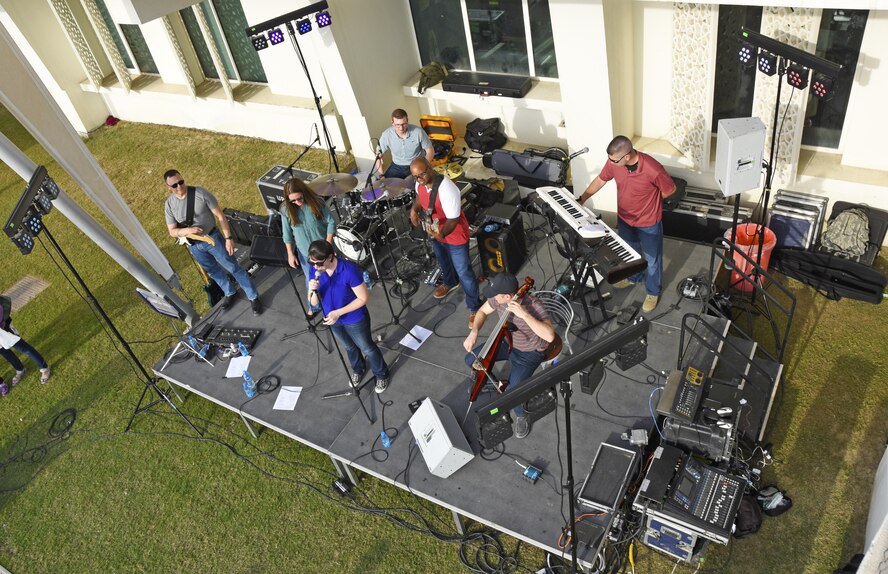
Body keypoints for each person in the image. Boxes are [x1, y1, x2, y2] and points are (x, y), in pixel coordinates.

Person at [577, 136, 675, 313]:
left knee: (652, 260)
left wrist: (652, 203)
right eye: (609, 159)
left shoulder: (653, 169)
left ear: (627, 156)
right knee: (631, 253)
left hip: (648, 223)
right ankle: (634, 277)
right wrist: (582, 199)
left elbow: (670, 189)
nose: (611, 163)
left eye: (614, 160)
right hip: (625, 219)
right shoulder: (615, 163)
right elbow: (601, 179)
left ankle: (653, 292)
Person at [463, 273, 554, 440]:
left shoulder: (533, 305)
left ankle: (521, 415)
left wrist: (525, 315)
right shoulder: (498, 300)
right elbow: (482, 312)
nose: (493, 298)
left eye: (496, 295)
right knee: (471, 360)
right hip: (508, 342)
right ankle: (494, 383)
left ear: (508, 296)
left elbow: (549, 336)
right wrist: (474, 331)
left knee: (513, 392)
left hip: (529, 353)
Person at [163, 169, 262, 315]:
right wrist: (187, 231)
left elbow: (220, 216)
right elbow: (172, 231)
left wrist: (228, 239)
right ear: (168, 187)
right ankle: (229, 292)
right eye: (174, 185)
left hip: (213, 238)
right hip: (194, 245)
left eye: (181, 182)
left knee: (232, 267)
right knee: (212, 271)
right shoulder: (169, 204)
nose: (179, 187)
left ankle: (253, 296)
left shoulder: (200, 194)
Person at [306, 240, 391, 394]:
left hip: (354, 318)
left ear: (330, 257)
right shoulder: (315, 270)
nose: (315, 267)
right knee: (348, 346)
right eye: (312, 263)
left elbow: (363, 298)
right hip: (332, 319)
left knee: (367, 347)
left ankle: (381, 374)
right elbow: (313, 303)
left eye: (319, 263)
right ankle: (358, 369)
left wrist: (339, 312)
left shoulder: (349, 270)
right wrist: (312, 290)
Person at [408, 157, 481, 328]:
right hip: (436, 232)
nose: (419, 179)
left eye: (422, 175)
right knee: (443, 261)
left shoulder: (447, 189)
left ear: (430, 167)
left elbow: (453, 220)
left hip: (453, 234)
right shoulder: (420, 183)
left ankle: (475, 307)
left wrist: (440, 235)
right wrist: (414, 210)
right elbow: (421, 197)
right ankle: (450, 282)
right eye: (416, 177)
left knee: (464, 271)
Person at [280, 177, 336, 312]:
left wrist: (327, 247)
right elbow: (287, 234)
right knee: (311, 281)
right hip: (305, 254)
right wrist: (290, 254)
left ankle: (335, 301)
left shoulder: (317, 202)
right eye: (293, 200)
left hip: (324, 252)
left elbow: (331, 223)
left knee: (331, 276)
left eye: (299, 198)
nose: (297, 202)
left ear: (304, 192)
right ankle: (313, 306)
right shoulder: (285, 209)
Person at [375, 109, 434, 179]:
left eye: (404, 124)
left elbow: (430, 151)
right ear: (392, 123)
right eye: (398, 125)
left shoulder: (418, 132)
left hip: (415, 164)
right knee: (386, 186)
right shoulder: (386, 134)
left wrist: (424, 166)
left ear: (407, 120)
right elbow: (378, 157)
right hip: (396, 166)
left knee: (416, 186)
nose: (401, 128)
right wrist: (381, 175)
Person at [0, 327, 51, 392]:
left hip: (3, 329)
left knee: (24, 348)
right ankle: (20, 369)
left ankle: (45, 369)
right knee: (6, 354)